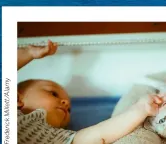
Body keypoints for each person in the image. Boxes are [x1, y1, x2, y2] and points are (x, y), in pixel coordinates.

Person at [18, 40, 165, 144]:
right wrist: (28, 53)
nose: (66, 103)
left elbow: (99, 134)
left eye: (69, 109)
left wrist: (140, 109)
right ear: (17, 98)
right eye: (53, 93)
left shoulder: (56, 137)